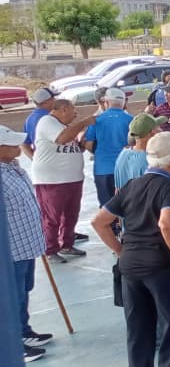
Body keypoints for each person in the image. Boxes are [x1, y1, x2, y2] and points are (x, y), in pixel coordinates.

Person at [91, 132, 170, 367]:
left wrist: (121, 251)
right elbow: (167, 223)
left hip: (130, 268)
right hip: (162, 267)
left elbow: (99, 221)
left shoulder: (131, 185)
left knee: (138, 332)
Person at [1, 125, 53, 362]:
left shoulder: (13, 168)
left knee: (23, 291)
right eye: (11, 143)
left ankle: (23, 331)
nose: (18, 146)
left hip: (27, 244)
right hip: (11, 249)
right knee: (12, 296)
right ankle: (13, 343)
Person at [33, 99, 94, 263]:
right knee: (52, 216)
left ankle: (67, 243)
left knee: (71, 214)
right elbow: (61, 139)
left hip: (72, 179)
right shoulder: (47, 122)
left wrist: (81, 143)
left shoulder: (64, 127)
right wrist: (84, 123)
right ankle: (50, 249)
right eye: (73, 110)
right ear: (64, 109)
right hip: (53, 180)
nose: (75, 114)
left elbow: (71, 146)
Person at [84, 88, 133, 211]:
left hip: (103, 168)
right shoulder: (131, 120)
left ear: (106, 102)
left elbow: (88, 144)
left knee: (107, 207)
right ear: (123, 102)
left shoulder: (97, 120)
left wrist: (99, 153)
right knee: (127, 206)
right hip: (126, 169)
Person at [21, 88, 58, 160]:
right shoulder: (51, 117)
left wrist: (35, 160)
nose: (56, 100)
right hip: (55, 160)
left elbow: (24, 145)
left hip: (42, 160)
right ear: (45, 102)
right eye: (53, 98)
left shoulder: (29, 119)